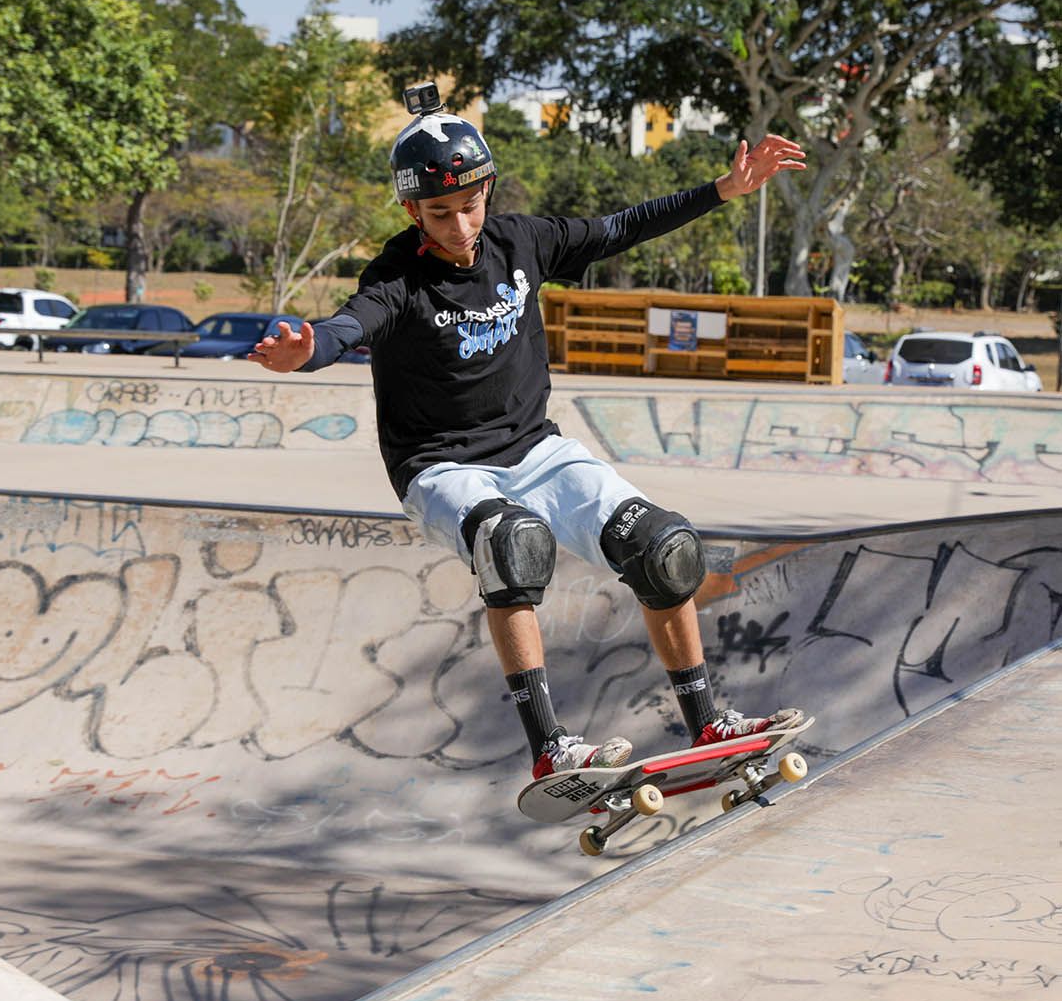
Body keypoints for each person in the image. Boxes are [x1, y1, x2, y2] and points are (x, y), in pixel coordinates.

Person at [249, 84, 806, 781]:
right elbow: (348, 324)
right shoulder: (397, 276)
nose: (459, 226)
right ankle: (550, 749)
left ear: (488, 191)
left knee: (665, 549)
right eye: (440, 213)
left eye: (470, 205)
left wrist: (722, 189)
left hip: (535, 452)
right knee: (512, 545)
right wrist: (311, 352)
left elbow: (620, 227)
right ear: (412, 211)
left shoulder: (523, 242)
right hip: (441, 467)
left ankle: (707, 727)